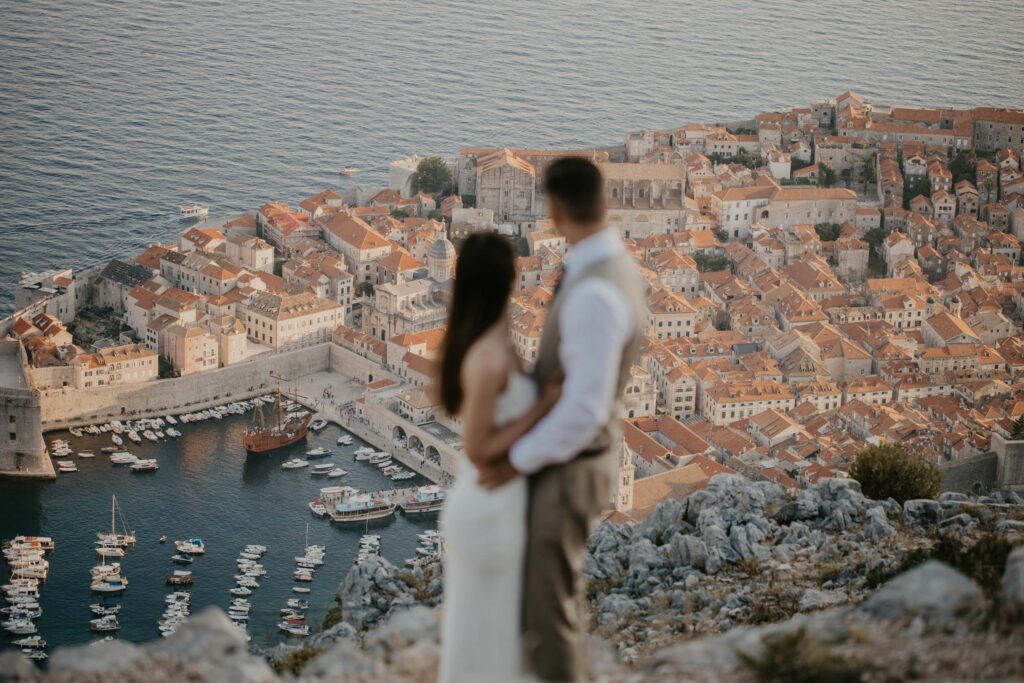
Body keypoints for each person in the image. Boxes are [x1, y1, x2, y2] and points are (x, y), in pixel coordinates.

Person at [478, 157, 646, 682]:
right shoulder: (616, 267)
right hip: (580, 462)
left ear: (552, 208)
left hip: (571, 467)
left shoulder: (594, 289)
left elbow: (585, 408)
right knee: (551, 605)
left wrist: (516, 461)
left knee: (547, 614)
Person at [438, 232, 562, 683]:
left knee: (493, 640)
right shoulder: (487, 356)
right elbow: (477, 447)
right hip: (488, 507)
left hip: (502, 502)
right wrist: (543, 407)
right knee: (489, 640)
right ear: (505, 280)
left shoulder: (494, 339)